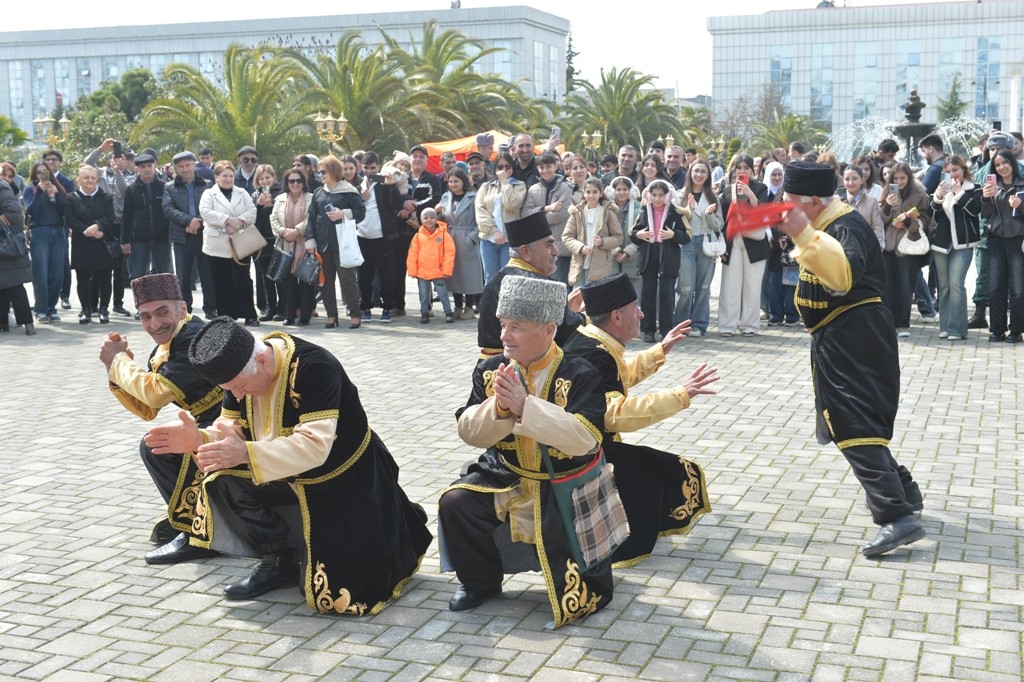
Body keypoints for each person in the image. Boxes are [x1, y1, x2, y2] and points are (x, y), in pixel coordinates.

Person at [143, 317, 433, 610]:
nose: (238, 395)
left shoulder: (314, 367)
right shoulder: (239, 375)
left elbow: (315, 447)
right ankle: (278, 559)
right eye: (231, 389)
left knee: (340, 595)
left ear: (262, 361)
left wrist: (245, 453)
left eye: (240, 386)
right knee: (222, 479)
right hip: (280, 468)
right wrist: (201, 438)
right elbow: (231, 428)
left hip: (341, 475)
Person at [438, 276, 610, 625]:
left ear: (548, 329)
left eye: (516, 327)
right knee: (456, 503)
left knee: (563, 539)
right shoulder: (491, 371)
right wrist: (500, 410)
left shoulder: (581, 371)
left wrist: (526, 408)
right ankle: (480, 583)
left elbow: (586, 439)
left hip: (563, 483)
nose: (504, 336)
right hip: (508, 475)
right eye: (503, 325)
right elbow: (468, 431)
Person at [776, 161, 925, 558]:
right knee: (851, 418)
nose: (782, 206)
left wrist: (804, 235)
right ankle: (903, 489)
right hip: (843, 337)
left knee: (850, 421)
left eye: (788, 200)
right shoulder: (831, 223)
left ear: (810, 203)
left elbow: (841, 276)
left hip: (854, 338)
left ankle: (896, 515)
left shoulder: (844, 226)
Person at [562, 273, 716, 560]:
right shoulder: (594, 353)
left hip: (590, 443)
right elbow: (615, 414)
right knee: (667, 472)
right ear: (617, 317)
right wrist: (680, 395)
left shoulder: (593, 340)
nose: (642, 313)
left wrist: (660, 351)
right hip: (587, 453)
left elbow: (618, 378)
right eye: (636, 307)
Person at [99, 273, 224, 559]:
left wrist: (118, 361)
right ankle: (192, 518)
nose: (154, 324)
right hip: (210, 423)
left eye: (162, 312)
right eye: (145, 317)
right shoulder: (167, 346)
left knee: (157, 446)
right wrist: (116, 368)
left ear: (182, 308)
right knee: (158, 442)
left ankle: (198, 532)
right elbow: (147, 408)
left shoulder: (194, 338)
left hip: (238, 425)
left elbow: (154, 393)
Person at [476, 211, 586, 358]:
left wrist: (566, 310)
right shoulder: (539, 285)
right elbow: (567, 332)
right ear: (525, 251)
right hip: (518, 372)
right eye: (549, 245)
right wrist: (587, 316)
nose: (556, 252)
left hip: (488, 370)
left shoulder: (497, 280)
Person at [199, 160, 260, 327]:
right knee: (220, 281)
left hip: (240, 242)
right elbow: (205, 212)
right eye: (224, 176)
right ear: (216, 177)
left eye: (231, 176)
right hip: (216, 245)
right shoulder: (209, 194)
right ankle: (224, 316)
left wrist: (238, 222)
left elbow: (252, 212)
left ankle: (250, 315)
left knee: (243, 280)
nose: (228, 179)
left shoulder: (242, 193)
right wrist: (227, 220)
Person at [717, 155, 770, 337]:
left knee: (752, 285)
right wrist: (721, 246)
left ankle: (749, 325)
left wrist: (749, 194)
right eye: (738, 167)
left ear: (752, 170)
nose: (742, 171)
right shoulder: (726, 191)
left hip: (754, 241)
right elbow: (721, 220)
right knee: (730, 285)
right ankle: (727, 325)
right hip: (732, 241)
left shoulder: (761, 188)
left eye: (746, 167)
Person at [310, 155, 365, 329]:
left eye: (324, 171)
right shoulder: (319, 192)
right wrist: (310, 240)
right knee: (325, 281)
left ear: (334, 171)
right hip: (323, 243)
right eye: (319, 172)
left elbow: (360, 212)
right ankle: (331, 315)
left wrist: (343, 213)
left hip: (343, 244)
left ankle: (355, 314)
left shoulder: (348, 190)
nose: (321, 175)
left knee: (347, 280)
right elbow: (311, 217)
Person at [631, 179, 689, 343]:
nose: (657, 199)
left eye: (661, 195)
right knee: (648, 293)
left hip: (668, 256)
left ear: (668, 195)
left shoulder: (675, 212)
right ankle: (647, 330)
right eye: (654, 195)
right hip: (649, 255)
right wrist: (638, 235)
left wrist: (674, 235)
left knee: (666, 293)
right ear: (648, 195)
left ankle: (666, 330)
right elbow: (634, 233)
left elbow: (686, 236)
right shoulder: (644, 210)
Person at [930, 156, 980, 341]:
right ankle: (945, 327)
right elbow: (933, 215)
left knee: (956, 284)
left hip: (963, 243)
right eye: (948, 171)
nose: (953, 175)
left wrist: (959, 193)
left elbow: (975, 210)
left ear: (963, 169)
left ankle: (957, 329)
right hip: (940, 244)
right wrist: (938, 197)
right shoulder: (941, 189)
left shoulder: (974, 188)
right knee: (943, 286)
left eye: (955, 170)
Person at [879, 162, 932, 338]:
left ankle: (903, 323)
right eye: (895, 178)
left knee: (905, 284)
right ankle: (888, 322)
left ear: (909, 178)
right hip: (889, 244)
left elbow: (925, 219)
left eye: (903, 178)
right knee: (887, 285)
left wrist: (909, 221)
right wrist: (887, 206)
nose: (899, 181)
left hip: (908, 243)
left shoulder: (920, 194)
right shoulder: (886, 192)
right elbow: (880, 220)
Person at [163, 151, 216, 319]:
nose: (185, 169)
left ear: (194, 165)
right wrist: (187, 221)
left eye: (188, 165)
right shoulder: (169, 187)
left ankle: (211, 307)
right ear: (176, 169)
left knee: (207, 273)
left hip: (204, 234)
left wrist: (198, 222)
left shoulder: (207, 184)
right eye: (181, 166)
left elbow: (213, 206)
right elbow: (168, 209)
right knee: (183, 275)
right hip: (181, 235)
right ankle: (186, 309)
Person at [673, 158, 722, 337]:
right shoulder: (679, 195)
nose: (699, 175)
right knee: (686, 287)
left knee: (704, 286)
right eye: (696, 171)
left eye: (703, 171)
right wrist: (691, 209)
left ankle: (699, 324)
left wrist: (708, 214)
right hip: (686, 243)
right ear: (690, 173)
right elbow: (676, 222)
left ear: (708, 175)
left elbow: (719, 225)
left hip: (706, 243)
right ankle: (680, 324)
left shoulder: (713, 197)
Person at [980, 149, 1024, 343]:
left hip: (1018, 240)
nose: (1002, 167)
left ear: (1012, 163)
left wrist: (1020, 206)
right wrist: (985, 198)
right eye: (998, 165)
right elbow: (985, 214)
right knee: (996, 286)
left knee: (1018, 288)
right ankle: (997, 330)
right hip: (996, 239)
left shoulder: (1022, 185)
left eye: (1005, 163)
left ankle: (1016, 331)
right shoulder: (992, 186)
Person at [355, 153, 405, 323]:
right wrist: (362, 199)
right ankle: (366, 307)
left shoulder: (385, 183)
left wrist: (391, 186)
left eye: (373, 168)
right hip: (362, 236)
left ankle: (387, 307)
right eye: (366, 168)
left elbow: (396, 206)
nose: (369, 171)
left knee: (387, 275)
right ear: (361, 167)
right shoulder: (357, 185)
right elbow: (351, 209)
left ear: (379, 167)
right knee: (364, 276)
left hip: (384, 237)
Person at [65, 165, 116, 324]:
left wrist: (98, 226)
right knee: (83, 278)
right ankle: (85, 309)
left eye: (93, 178)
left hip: (102, 242)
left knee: (105, 278)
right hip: (81, 243)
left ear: (97, 180)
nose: (90, 181)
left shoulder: (106, 197)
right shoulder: (71, 197)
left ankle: (103, 310)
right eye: (86, 177)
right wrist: (86, 230)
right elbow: (70, 219)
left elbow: (110, 217)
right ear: (79, 179)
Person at [270, 168, 316, 326]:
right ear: (287, 183)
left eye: (299, 181)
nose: (295, 184)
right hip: (285, 245)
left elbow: (312, 218)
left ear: (303, 183)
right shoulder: (280, 199)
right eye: (292, 181)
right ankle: (289, 315)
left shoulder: (311, 198)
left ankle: (305, 315)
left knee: (305, 281)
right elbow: (273, 219)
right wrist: (284, 232)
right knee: (287, 282)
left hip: (305, 245)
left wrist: (297, 231)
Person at [24, 160, 68, 322]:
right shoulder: (31, 189)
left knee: (57, 273)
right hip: (39, 231)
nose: (42, 175)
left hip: (58, 231)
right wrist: (40, 193)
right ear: (35, 175)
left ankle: (52, 307)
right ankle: (41, 309)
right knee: (40, 273)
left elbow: (65, 211)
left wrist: (56, 194)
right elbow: (31, 211)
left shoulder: (58, 188)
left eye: (45, 172)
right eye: (39, 172)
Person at [437, 168, 482, 320]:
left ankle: (469, 307)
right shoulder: (445, 197)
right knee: (453, 272)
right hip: (450, 237)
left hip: (467, 235)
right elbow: (443, 217)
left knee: (468, 273)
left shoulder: (473, 197)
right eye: (450, 181)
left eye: (456, 181)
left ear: (464, 181)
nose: (453, 184)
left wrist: (472, 238)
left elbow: (480, 220)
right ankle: (457, 305)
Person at [522, 153, 573, 285]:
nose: (545, 170)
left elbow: (561, 215)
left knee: (559, 286)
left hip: (559, 247)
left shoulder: (565, 188)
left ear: (555, 166)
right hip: (538, 248)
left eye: (548, 166)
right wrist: (546, 208)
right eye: (542, 167)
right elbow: (526, 214)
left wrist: (536, 219)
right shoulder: (533, 190)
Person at [562, 177, 623, 287]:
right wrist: (580, 247)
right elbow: (566, 237)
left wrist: (602, 242)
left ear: (600, 193)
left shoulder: (608, 212)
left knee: (596, 300)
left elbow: (618, 238)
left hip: (600, 266)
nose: (591, 195)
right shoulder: (576, 212)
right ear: (584, 193)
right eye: (588, 192)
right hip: (579, 265)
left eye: (595, 192)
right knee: (577, 299)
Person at [475, 152, 525, 284]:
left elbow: (511, 205)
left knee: (507, 278)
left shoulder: (519, 186)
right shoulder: (486, 187)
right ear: (495, 169)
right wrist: (494, 231)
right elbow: (480, 211)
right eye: (500, 167)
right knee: (490, 278)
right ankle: (490, 305)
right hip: (488, 239)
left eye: (507, 167)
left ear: (513, 168)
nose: (504, 170)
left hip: (509, 240)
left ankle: (505, 305)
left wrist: (504, 182)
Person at [122, 153, 172, 281]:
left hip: (162, 238)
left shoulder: (164, 186)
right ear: (137, 168)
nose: (147, 169)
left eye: (149, 165)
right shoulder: (131, 189)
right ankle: (142, 301)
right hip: (139, 240)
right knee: (138, 276)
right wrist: (125, 240)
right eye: (143, 166)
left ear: (154, 166)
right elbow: (126, 216)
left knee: (166, 275)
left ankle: (166, 301)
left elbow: (170, 211)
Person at [407, 207, 455, 324]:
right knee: (423, 294)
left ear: (436, 219)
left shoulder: (444, 235)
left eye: (432, 217)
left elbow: (450, 253)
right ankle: (424, 313)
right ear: (421, 220)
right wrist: (412, 270)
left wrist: (447, 270)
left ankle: (448, 312)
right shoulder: (418, 237)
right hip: (422, 272)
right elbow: (412, 254)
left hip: (438, 272)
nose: (429, 220)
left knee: (442, 293)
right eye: (426, 218)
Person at [0, 170, 33, 335]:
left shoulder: (2, 189)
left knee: (15, 287)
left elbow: (13, 214)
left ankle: (28, 323)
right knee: (4, 288)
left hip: (7, 246)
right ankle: (3, 323)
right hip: (6, 247)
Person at [251, 164, 283, 321]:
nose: (265, 181)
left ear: (274, 178)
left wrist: (270, 206)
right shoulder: (253, 196)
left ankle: (283, 308)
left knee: (280, 276)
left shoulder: (281, 193)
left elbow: (281, 217)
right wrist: (259, 205)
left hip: (278, 240)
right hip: (260, 242)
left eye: (267, 178)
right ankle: (270, 308)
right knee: (266, 278)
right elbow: (252, 219)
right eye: (261, 179)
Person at [840, 165, 885, 249]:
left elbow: (877, 227)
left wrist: (878, 250)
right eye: (847, 179)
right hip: (842, 249)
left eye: (854, 178)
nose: (850, 182)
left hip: (865, 249)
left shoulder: (872, 202)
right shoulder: (837, 201)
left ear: (861, 180)